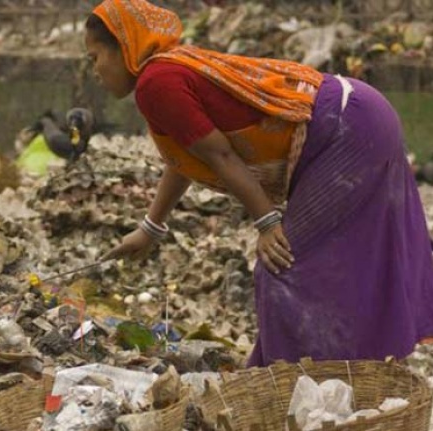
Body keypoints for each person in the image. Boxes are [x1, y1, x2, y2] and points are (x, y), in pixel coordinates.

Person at [89, 0, 433, 366]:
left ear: (124, 49)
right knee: (345, 259)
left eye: (95, 57)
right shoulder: (170, 72)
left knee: (281, 267)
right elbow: (189, 158)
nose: (93, 70)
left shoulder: (156, 82)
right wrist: (151, 227)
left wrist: (267, 222)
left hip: (347, 129)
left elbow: (220, 155)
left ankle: (289, 384)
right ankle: (331, 371)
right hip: (358, 114)